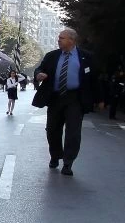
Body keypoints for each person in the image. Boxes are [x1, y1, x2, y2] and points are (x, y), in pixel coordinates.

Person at [32, 28, 102, 175]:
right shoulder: (52, 56)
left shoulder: (86, 57)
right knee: (52, 129)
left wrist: (100, 99)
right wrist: (39, 74)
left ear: (71, 40)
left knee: (73, 132)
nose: (58, 40)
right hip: (55, 98)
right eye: (59, 37)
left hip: (75, 99)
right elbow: (39, 69)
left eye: (62, 38)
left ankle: (68, 162)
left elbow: (95, 79)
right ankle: (55, 155)